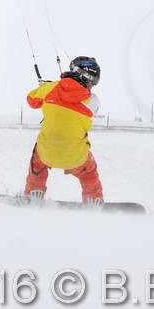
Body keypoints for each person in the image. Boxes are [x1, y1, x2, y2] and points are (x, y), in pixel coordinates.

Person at [24, 56, 104, 203]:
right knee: (89, 173)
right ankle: (93, 200)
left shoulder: (50, 89)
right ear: (86, 77)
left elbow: (31, 101)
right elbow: (74, 99)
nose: (92, 86)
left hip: (46, 153)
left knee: (37, 165)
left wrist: (44, 88)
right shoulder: (93, 101)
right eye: (93, 82)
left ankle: (34, 195)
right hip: (77, 157)